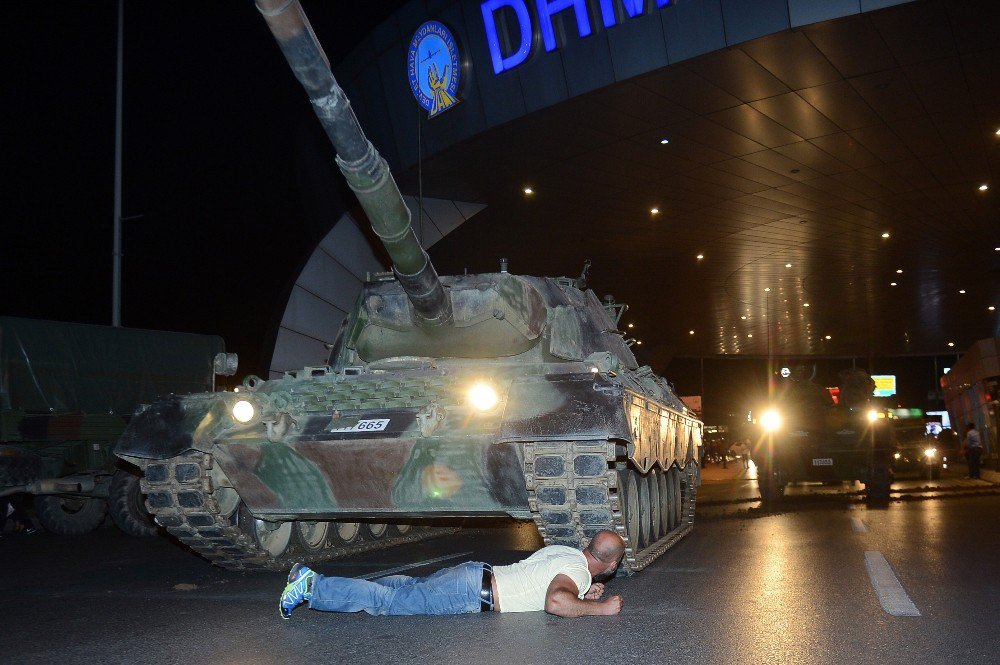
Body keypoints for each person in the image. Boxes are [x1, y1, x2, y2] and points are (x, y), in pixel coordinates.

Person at [278, 529, 626, 619]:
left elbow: (541, 577)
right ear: (610, 565)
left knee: (403, 587)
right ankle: (313, 587)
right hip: (470, 592)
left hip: (474, 574)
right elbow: (554, 601)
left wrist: (581, 592)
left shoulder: (567, 554)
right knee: (388, 603)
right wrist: (601, 607)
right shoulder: (577, 572)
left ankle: (310, 579)